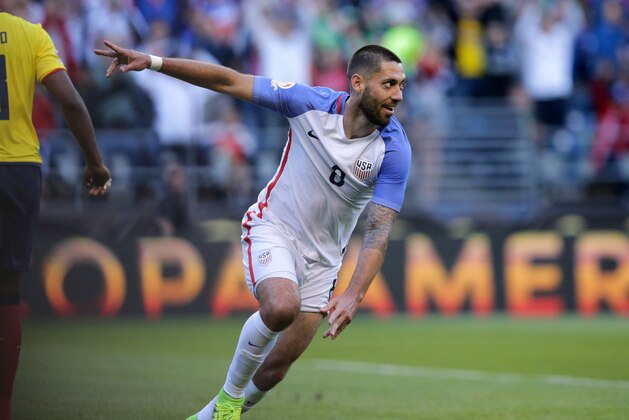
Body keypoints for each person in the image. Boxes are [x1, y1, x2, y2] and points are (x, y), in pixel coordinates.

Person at [95, 39, 410, 420]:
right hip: (273, 228)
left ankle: (209, 416)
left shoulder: (393, 149)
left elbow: (378, 228)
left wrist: (354, 294)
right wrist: (153, 62)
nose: (398, 95)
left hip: (325, 260)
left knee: (275, 369)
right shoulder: (308, 102)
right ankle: (229, 402)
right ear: (358, 83)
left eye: (402, 85)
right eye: (389, 84)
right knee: (280, 306)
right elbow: (228, 81)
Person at [0, 6, 111, 418]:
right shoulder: (31, 34)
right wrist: (95, 163)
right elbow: (71, 101)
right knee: (7, 294)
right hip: (16, 170)